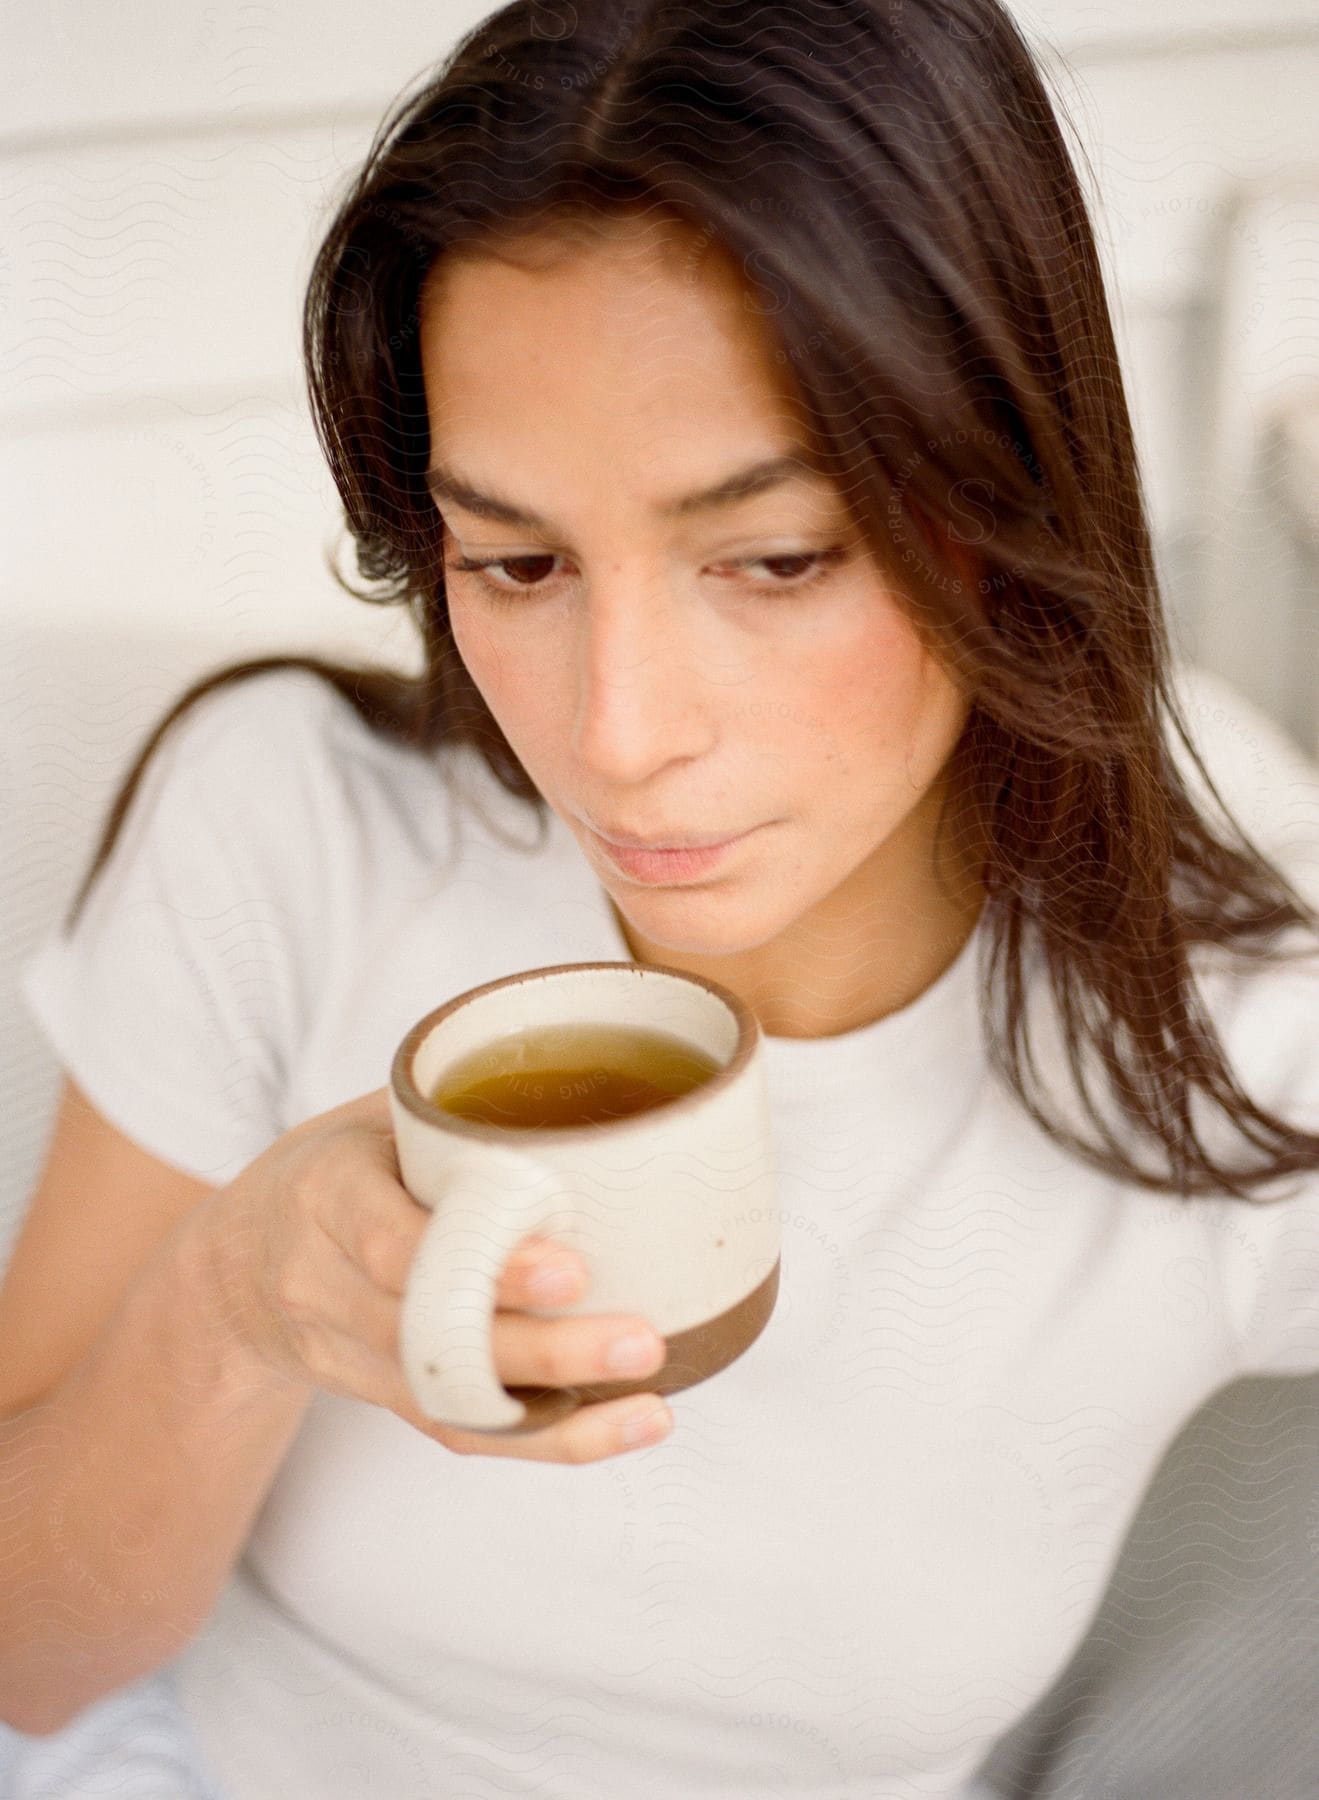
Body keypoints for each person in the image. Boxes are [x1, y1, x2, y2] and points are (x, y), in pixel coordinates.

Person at [2, 1, 1319, 1795]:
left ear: (1006, 497)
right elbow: (25, 1657)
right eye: (516, 562)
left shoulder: (1240, 1023)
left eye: (771, 559)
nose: (615, 738)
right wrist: (233, 1306)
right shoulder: (294, 828)